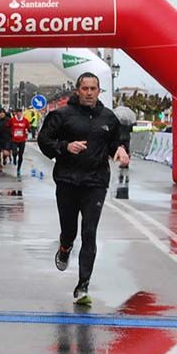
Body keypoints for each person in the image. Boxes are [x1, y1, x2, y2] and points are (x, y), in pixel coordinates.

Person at [38, 72, 128, 305]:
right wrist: (65, 146)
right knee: (70, 230)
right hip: (67, 180)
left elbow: (116, 141)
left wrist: (120, 149)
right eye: (85, 88)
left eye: (93, 89)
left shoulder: (108, 117)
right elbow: (44, 141)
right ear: (77, 90)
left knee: (89, 233)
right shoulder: (62, 115)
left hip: (95, 182)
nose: (89, 93)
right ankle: (65, 246)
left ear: (99, 91)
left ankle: (83, 286)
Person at [8, 108, 31, 176]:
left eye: (20, 112)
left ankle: (18, 168)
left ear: (21, 113)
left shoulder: (25, 120)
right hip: (14, 140)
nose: (18, 114)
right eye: (17, 112)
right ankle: (14, 158)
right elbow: (8, 126)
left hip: (22, 140)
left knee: (21, 155)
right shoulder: (12, 120)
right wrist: (10, 133)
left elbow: (29, 128)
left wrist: (27, 131)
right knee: (14, 152)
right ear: (15, 113)